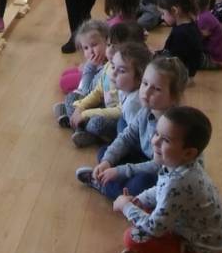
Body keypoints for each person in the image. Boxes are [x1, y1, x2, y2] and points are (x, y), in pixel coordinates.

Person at [114, 106, 222, 253]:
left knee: (131, 238)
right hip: (194, 234)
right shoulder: (181, 165)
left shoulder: (179, 182)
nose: (155, 141)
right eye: (156, 133)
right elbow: (160, 189)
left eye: (166, 140)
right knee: (143, 209)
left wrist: (126, 207)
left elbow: (155, 227)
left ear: (188, 153)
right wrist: (139, 199)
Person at [76, 56, 188, 200]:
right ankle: (115, 185)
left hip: (162, 171)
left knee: (142, 183)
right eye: (145, 83)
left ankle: (106, 186)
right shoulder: (146, 110)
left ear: (174, 97)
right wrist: (107, 161)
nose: (146, 92)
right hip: (145, 158)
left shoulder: (173, 126)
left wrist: (120, 171)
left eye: (157, 89)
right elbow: (127, 137)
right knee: (104, 152)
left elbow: (159, 165)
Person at [68, 22, 148, 148]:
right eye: (109, 44)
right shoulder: (109, 66)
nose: (109, 49)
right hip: (105, 107)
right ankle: (80, 128)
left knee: (96, 123)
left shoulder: (129, 80)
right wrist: (80, 108)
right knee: (72, 99)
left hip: (116, 117)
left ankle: (83, 129)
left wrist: (85, 114)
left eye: (115, 46)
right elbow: (97, 92)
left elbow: (120, 111)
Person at [53, 19, 109, 126]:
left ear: (107, 41)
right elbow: (83, 90)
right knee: (72, 97)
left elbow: (89, 92)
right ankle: (76, 123)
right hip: (89, 100)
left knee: (96, 123)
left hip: (102, 103)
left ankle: (72, 119)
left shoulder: (111, 64)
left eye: (94, 45)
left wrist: (91, 67)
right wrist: (90, 66)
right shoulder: (91, 65)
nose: (90, 51)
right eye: (86, 48)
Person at [156, 0, 204, 77]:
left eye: (163, 13)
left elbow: (172, 62)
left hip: (180, 76)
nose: (162, 17)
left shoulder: (181, 34)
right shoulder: (189, 25)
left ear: (174, 11)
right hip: (185, 71)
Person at [111, 40, 153, 133]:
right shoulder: (124, 89)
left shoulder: (132, 104)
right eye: (113, 67)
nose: (113, 73)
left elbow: (136, 135)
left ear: (139, 78)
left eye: (122, 71)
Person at [194, 0, 222, 69]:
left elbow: (200, 37)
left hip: (215, 56)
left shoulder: (204, 18)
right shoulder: (205, 14)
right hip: (217, 52)